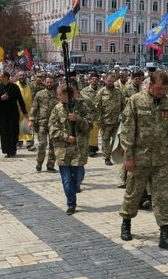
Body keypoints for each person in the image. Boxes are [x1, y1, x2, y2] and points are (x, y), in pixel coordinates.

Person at [118, 71, 168, 252]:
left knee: (161, 197)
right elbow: (128, 130)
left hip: (161, 158)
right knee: (133, 192)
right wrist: (128, 157)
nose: (161, 92)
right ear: (150, 85)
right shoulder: (136, 101)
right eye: (158, 88)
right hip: (139, 158)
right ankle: (126, 222)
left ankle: (165, 235)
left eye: (164, 88)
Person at [49, 84, 92, 215]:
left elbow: (89, 126)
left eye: (59, 94)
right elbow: (51, 128)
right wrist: (65, 137)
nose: (57, 96)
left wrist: (78, 119)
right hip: (63, 150)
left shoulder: (82, 107)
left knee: (78, 176)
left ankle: (76, 187)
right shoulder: (57, 109)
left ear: (66, 94)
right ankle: (71, 203)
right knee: (67, 180)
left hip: (78, 150)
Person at [0, 71, 28, 157]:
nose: (0, 78)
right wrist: (0, 98)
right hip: (2, 114)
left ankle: (12, 150)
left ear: (6, 77)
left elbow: (20, 100)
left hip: (13, 113)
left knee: (13, 131)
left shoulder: (14, 87)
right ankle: (6, 150)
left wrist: (25, 112)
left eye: (1, 76)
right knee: (4, 132)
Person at [95, 73, 126, 166]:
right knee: (105, 140)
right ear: (105, 81)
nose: (110, 83)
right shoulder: (101, 92)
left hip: (117, 121)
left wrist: (123, 116)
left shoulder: (118, 92)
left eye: (112, 81)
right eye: (109, 81)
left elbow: (123, 105)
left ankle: (115, 155)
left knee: (116, 139)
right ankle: (106, 157)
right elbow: (96, 107)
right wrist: (99, 120)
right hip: (105, 121)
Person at [30, 75, 58, 172]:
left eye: (51, 82)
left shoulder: (58, 94)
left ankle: (50, 165)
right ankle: (39, 163)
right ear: (44, 82)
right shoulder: (39, 94)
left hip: (55, 124)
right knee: (42, 144)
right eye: (47, 82)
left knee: (53, 145)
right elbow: (34, 107)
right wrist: (31, 119)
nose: (49, 84)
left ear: (54, 82)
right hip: (42, 122)